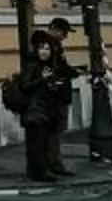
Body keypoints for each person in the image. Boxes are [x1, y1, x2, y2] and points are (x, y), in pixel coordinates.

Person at [19, 23, 77, 181]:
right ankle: (43, 169)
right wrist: (44, 80)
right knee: (39, 141)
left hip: (48, 105)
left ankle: (44, 169)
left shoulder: (49, 60)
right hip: (37, 108)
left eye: (47, 49)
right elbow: (26, 85)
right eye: (42, 49)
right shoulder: (34, 64)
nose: (45, 51)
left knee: (45, 138)